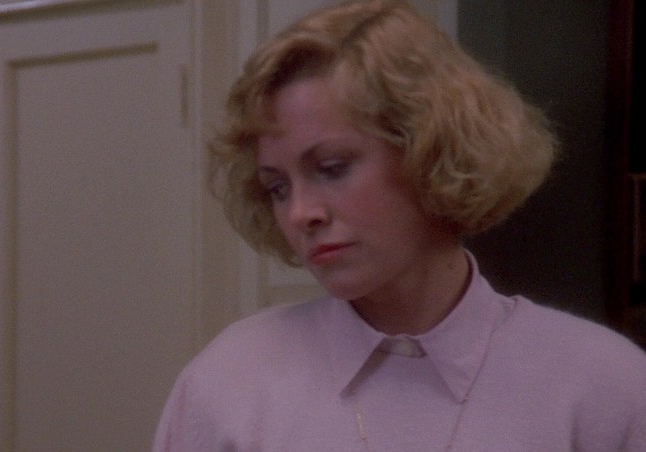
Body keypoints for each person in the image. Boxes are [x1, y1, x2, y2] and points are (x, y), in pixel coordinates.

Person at [153, 0, 646, 450]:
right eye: (277, 187)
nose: (301, 213)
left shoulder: (601, 386)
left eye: (332, 168)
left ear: (430, 151)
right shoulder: (228, 384)